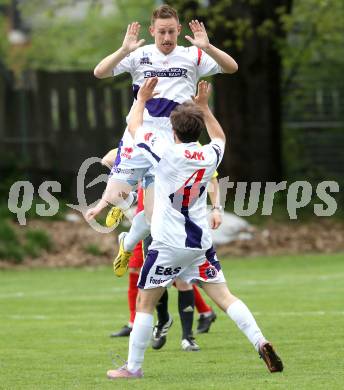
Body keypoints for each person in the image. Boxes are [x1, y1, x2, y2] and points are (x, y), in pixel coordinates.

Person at [106, 78, 283, 379]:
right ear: (197, 130)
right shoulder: (209, 154)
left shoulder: (164, 151)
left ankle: (133, 368)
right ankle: (260, 341)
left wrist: (142, 100)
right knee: (226, 297)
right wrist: (204, 107)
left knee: (144, 302)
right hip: (200, 244)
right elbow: (220, 136)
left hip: (167, 245)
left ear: (173, 130)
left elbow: (135, 128)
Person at [86, 4, 238, 277]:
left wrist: (209, 47)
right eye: (161, 33)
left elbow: (232, 67)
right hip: (139, 134)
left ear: (179, 31)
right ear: (152, 31)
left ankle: (127, 242)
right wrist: (123, 50)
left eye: (171, 32)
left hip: (172, 143)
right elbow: (99, 72)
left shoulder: (192, 55)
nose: (167, 38)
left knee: (156, 216)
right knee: (114, 195)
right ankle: (127, 197)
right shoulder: (139, 55)